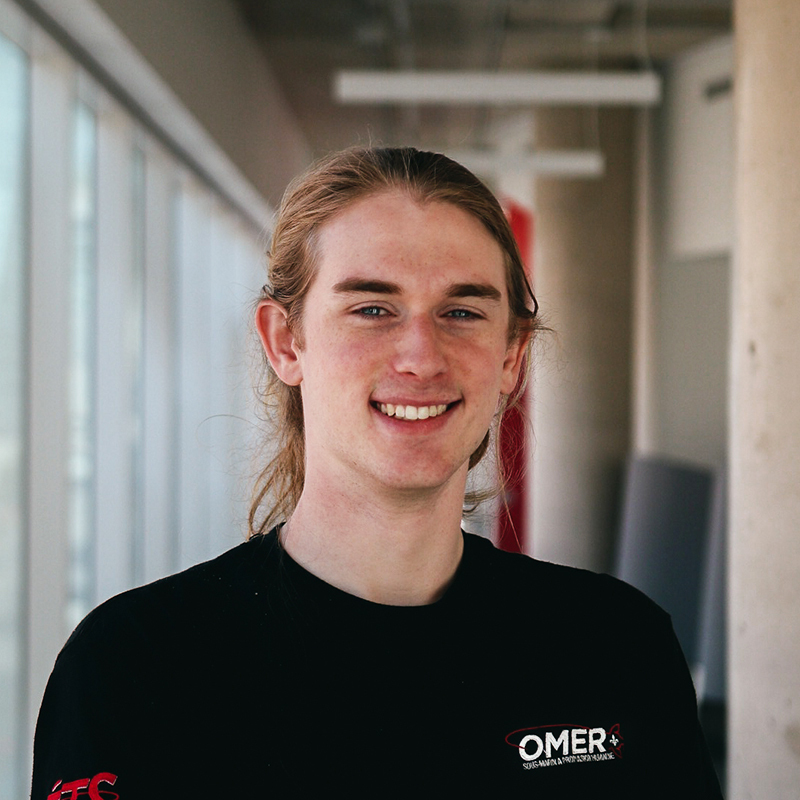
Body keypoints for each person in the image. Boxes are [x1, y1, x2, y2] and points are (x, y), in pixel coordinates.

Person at [32, 147, 723, 798]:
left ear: (511, 357)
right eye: (372, 309)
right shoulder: (134, 670)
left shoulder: (615, 649)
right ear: (285, 340)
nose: (421, 356)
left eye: (461, 311)